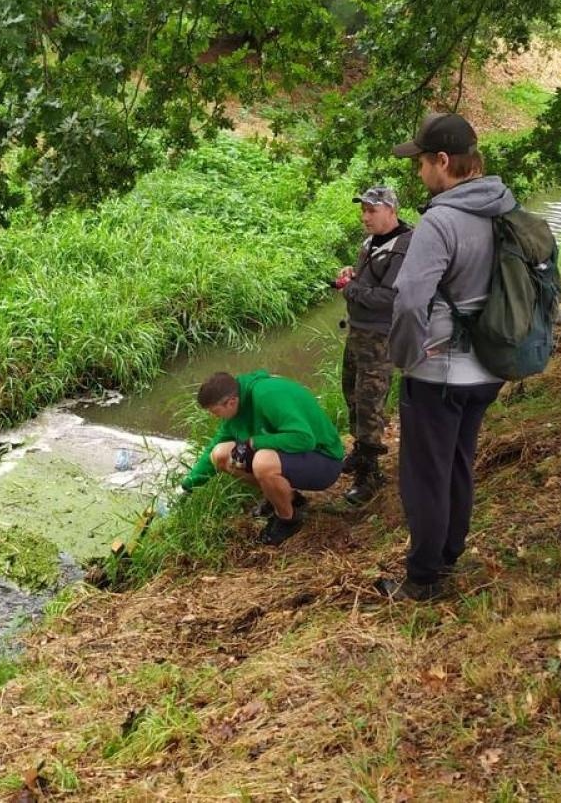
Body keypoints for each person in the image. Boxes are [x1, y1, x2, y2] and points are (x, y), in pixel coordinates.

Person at [379, 112, 511, 601]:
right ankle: (449, 553)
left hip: (438, 372)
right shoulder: (503, 208)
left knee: (425, 477)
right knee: (458, 462)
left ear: (442, 161)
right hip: (488, 368)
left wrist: (405, 360)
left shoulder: (441, 220)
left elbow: (411, 300)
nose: (418, 173)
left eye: (420, 163)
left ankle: (423, 579)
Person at [179, 369, 346, 545]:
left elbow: (304, 439)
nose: (214, 417)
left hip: (325, 460)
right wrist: (188, 486)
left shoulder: (266, 395)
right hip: (296, 455)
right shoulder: (236, 410)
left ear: (231, 402)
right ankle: (290, 499)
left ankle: (288, 519)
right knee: (220, 455)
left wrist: (254, 442)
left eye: (214, 411)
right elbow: (213, 449)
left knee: (263, 462)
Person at [335, 186, 413, 505]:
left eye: (372, 210)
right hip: (357, 332)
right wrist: (351, 275)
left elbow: (391, 298)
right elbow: (368, 281)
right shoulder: (369, 242)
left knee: (370, 402)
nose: (365, 216)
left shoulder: (406, 246)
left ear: (391, 211)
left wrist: (351, 290)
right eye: (363, 210)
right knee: (351, 393)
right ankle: (361, 450)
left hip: (380, 338)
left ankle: (370, 474)